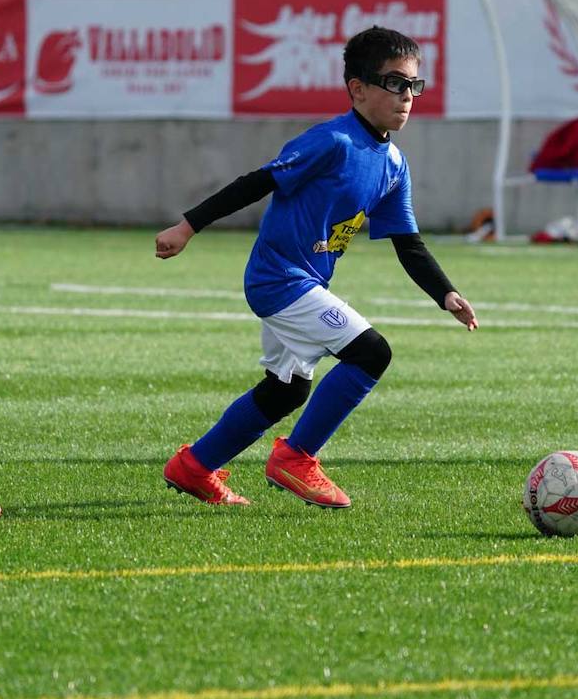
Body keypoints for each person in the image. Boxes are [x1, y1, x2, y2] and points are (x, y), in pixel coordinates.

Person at [154, 26, 477, 509]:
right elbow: (257, 182)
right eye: (394, 82)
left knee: (285, 391)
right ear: (357, 89)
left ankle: (195, 467)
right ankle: (297, 457)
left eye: (413, 84)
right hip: (280, 280)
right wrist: (188, 226)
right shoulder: (333, 141)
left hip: (304, 282)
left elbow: (407, 242)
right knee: (371, 353)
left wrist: (445, 293)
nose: (406, 96)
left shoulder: (392, 163)